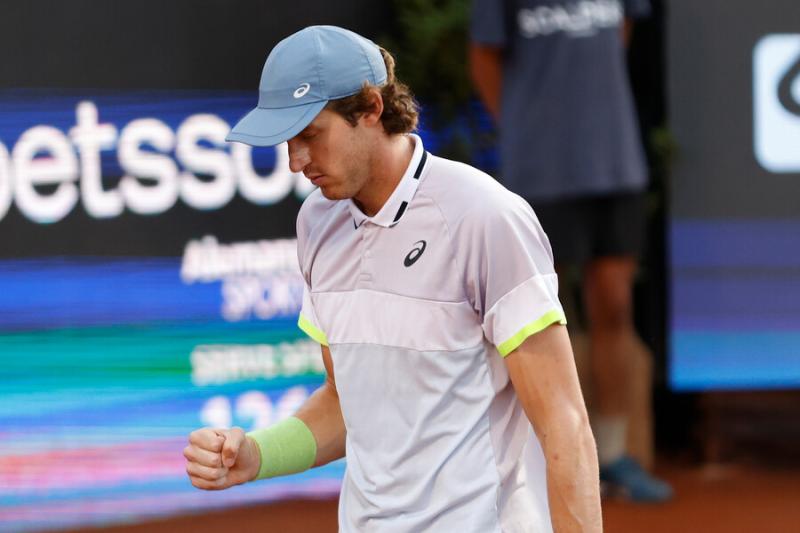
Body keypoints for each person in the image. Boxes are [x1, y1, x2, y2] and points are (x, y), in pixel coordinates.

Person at [184, 25, 601, 532]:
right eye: (287, 142)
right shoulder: (317, 222)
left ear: (371, 108)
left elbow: (564, 423)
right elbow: (345, 400)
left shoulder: (485, 217)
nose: (296, 162)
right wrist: (256, 454)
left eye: (310, 135)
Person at [469, 0, 672, 502]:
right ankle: (541, 460)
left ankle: (614, 455)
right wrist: (525, 128)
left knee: (616, 307)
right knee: (535, 320)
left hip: (615, 161)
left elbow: (622, 30)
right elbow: (484, 58)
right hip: (543, 171)